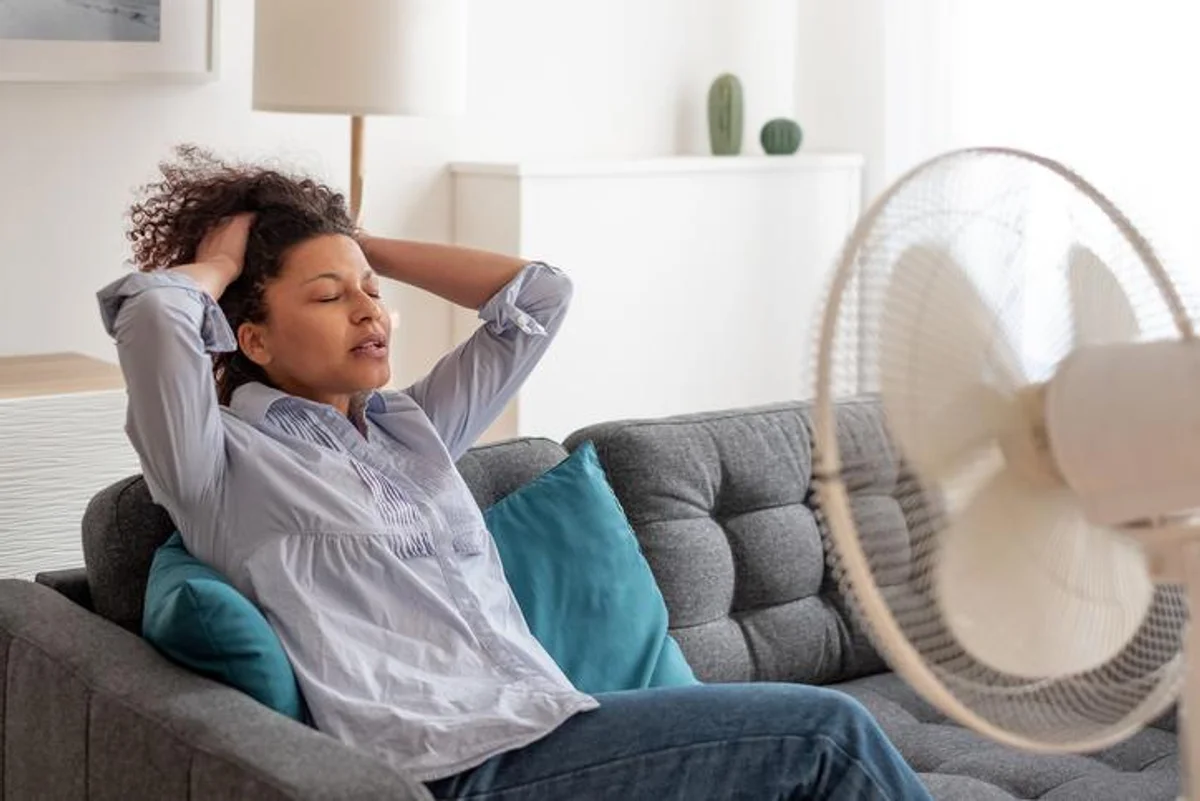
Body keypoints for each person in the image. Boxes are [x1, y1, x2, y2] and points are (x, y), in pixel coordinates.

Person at [100, 146, 933, 801]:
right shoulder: (218, 465)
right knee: (830, 733)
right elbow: (151, 318)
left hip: (553, 724)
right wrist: (218, 263)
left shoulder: (412, 431)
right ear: (252, 340)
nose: (369, 310)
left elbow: (538, 298)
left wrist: (352, 242)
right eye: (328, 297)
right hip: (452, 764)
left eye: (373, 291)